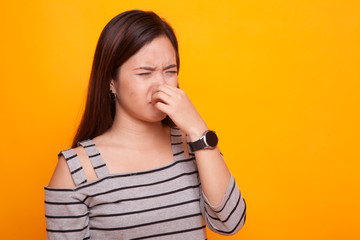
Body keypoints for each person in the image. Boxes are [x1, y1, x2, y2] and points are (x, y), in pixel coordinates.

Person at [44, 10, 246, 239]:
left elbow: (230, 223)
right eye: (144, 73)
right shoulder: (76, 169)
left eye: (170, 71)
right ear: (112, 81)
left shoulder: (195, 146)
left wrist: (198, 129)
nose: (161, 85)